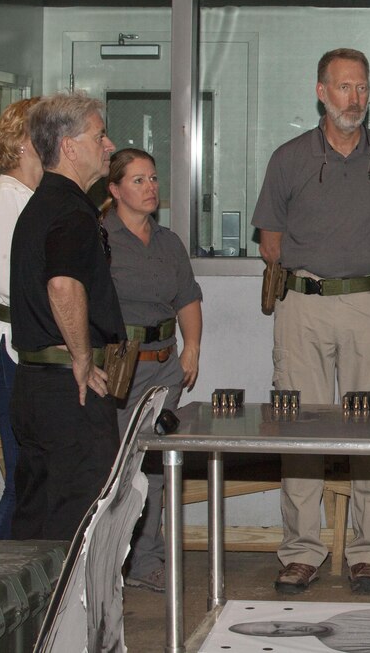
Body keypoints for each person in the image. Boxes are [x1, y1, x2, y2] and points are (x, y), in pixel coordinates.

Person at [252, 48, 370, 594]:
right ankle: (301, 551)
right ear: (321, 91)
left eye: (363, 88)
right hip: (304, 305)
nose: (356, 99)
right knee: (302, 431)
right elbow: (270, 244)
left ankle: (369, 553)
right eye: (344, 88)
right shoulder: (289, 158)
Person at [9, 92, 124, 541]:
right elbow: (62, 285)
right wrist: (82, 357)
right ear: (69, 146)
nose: (109, 144)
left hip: (36, 386)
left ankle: (31, 611)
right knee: (79, 519)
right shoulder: (71, 210)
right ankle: (68, 612)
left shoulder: (41, 204)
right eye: (99, 135)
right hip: (67, 392)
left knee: (38, 517)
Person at [102, 148, 203, 592]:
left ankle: (148, 561)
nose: (150, 188)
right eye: (138, 180)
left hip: (166, 365)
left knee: (159, 468)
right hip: (122, 369)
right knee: (119, 467)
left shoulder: (168, 242)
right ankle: (108, 563)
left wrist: (192, 348)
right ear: (115, 189)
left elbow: (187, 297)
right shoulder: (99, 239)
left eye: (154, 178)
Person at [0, 97, 42, 539]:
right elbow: (10, 282)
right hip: (7, 347)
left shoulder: (28, 196)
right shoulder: (6, 196)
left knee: (29, 472)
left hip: (23, 346)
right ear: (25, 141)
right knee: (21, 476)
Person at [228, 606, 370, 653]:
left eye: (279, 625)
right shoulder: (336, 643)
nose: (294, 628)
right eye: (280, 632)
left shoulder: (342, 617)